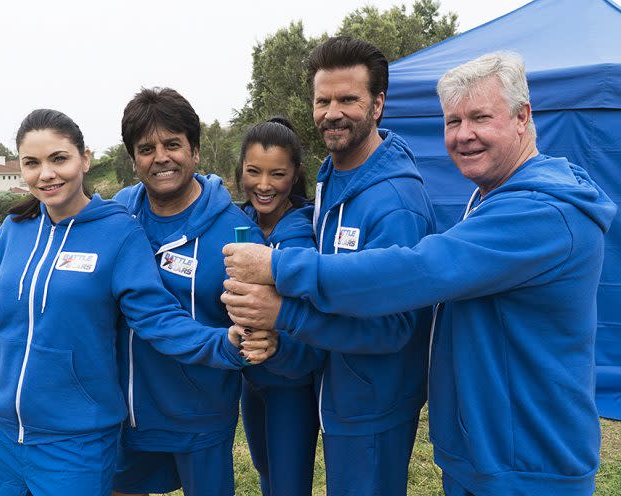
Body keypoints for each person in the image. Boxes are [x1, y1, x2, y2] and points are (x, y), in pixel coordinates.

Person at [223, 52, 618, 496]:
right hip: (482, 453)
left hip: (528, 464)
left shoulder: (541, 212)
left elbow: (420, 270)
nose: (464, 135)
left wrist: (278, 269)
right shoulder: (493, 195)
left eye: (480, 118)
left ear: (522, 116)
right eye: (452, 121)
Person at [0, 109, 275, 496]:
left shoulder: (119, 231)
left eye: (58, 159)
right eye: (31, 163)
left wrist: (225, 344)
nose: (46, 174)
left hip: (75, 439)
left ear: (84, 158)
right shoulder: (15, 229)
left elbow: (156, 317)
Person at [226, 37, 437, 496]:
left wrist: (283, 313)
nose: (332, 112)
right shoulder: (333, 176)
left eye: (348, 99)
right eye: (323, 100)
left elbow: (395, 327)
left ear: (378, 104)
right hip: (335, 389)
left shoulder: (397, 204)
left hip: (373, 403)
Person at [110, 88, 265, 496]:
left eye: (173, 144)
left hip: (200, 416)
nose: (161, 157)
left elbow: (255, 321)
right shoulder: (119, 216)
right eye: (147, 148)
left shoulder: (235, 231)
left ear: (195, 151)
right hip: (128, 413)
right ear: (133, 160)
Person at [235, 117, 325, 496]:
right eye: (254, 172)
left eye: (277, 174)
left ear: (295, 174)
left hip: (292, 382)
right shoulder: (236, 222)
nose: (264, 185)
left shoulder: (308, 229)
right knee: (266, 472)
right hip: (250, 380)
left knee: (289, 484)